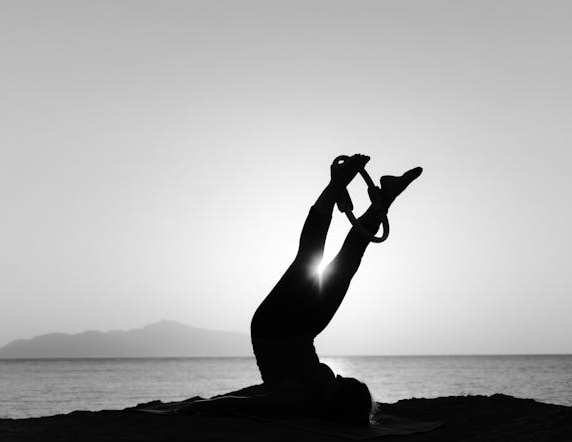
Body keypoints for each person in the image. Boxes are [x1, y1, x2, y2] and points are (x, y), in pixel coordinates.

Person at [176, 154, 422, 426]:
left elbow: (240, 405)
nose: (338, 376)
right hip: (303, 332)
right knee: (346, 266)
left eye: (342, 382)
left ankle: (336, 186)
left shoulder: (295, 399)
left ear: (333, 399)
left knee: (308, 260)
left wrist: (195, 408)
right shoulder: (323, 390)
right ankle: (384, 199)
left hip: (272, 327)